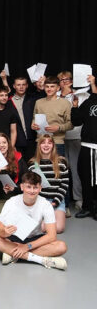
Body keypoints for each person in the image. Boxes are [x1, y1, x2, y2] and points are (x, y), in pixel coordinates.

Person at [0, 172, 67, 270]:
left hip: (35, 239)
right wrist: (5, 232)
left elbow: (52, 236)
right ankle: (40, 260)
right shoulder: (11, 202)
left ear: (40, 188)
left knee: (61, 246)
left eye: (35, 187)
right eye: (28, 187)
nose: (32, 191)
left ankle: (13, 254)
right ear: (22, 187)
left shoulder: (45, 204)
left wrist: (26, 247)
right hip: (14, 238)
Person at [58, 71, 88, 212]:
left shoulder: (80, 95)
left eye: (67, 79)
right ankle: (62, 200)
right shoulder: (55, 95)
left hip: (76, 136)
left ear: (71, 80)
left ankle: (78, 199)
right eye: (61, 80)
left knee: (75, 170)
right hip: (59, 137)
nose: (64, 82)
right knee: (61, 170)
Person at [28, 135, 69, 233]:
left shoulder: (61, 163)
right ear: (39, 145)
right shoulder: (33, 165)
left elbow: (64, 186)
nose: (46, 145)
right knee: (38, 226)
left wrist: (55, 202)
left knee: (59, 228)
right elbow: (31, 188)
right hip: (39, 201)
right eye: (43, 142)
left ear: (53, 146)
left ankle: (42, 224)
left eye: (49, 143)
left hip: (57, 200)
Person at [0, 73, 44, 162]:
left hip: (32, 141)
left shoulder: (33, 99)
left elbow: (44, 98)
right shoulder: (8, 101)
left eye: (23, 84)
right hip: (17, 142)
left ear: (27, 86)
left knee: (34, 167)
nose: (21, 87)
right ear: (14, 86)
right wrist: (11, 145)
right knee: (18, 169)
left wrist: (41, 85)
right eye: (18, 85)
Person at [71, 74, 97, 220]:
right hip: (87, 146)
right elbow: (76, 121)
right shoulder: (88, 102)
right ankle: (87, 207)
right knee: (85, 177)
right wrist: (74, 107)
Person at [0, 133, 27, 221]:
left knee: (17, 224)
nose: (1, 145)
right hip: (0, 198)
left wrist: (14, 189)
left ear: (8, 144)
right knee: (0, 224)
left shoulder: (18, 158)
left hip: (16, 196)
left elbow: (26, 181)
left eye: (4, 142)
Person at [32, 76, 73, 157]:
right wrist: (33, 125)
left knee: (58, 168)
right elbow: (34, 118)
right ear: (44, 87)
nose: (49, 89)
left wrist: (58, 128)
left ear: (58, 88)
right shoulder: (38, 102)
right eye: (47, 86)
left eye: (52, 86)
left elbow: (71, 124)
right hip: (40, 142)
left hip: (57, 142)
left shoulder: (65, 103)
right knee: (38, 168)